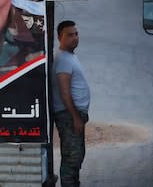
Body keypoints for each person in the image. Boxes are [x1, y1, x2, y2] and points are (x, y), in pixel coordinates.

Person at [53, 20, 90, 187]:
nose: (75, 38)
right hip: (68, 116)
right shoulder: (63, 59)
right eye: (70, 35)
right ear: (60, 38)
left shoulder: (68, 56)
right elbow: (64, 91)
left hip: (72, 115)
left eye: (76, 34)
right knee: (71, 159)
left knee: (76, 157)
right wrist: (75, 117)